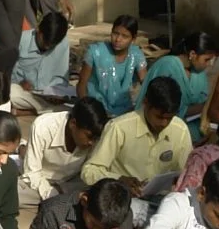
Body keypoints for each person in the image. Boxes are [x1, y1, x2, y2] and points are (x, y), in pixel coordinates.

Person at [77, 77, 193, 221]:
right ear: (146, 102)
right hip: (122, 198)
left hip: (161, 200)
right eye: (159, 117)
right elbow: (89, 171)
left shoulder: (180, 130)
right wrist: (118, 180)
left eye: (169, 118)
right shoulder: (119, 127)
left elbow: (188, 175)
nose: (164, 123)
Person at [19, 98, 104, 208]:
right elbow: (32, 173)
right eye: (88, 136)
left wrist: (61, 190)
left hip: (69, 184)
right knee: (13, 195)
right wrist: (52, 193)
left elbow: (92, 173)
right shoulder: (44, 126)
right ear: (73, 124)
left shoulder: (96, 138)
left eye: (95, 138)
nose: (92, 143)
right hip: (41, 180)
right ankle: (22, 149)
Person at [75, 16, 148, 116]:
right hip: (97, 109)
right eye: (115, 33)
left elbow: (145, 82)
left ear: (133, 39)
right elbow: (82, 85)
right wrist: (86, 110)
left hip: (125, 110)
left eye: (124, 36)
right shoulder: (95, 52)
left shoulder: (136, 54)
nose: (118, 39)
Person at [142, 32, 216, 123]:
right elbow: (159, 104)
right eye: (206, 60)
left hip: (191, 122)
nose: (209, 64)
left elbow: (203, 98)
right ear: (192, 54)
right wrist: (202, 107)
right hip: (161, 121)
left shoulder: (199, 73)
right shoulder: (167, 66)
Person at [9, 10, 73, 111]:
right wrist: (20, 83)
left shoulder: (63, 44)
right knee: (12, 93)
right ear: (38, 29)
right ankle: (45, 110)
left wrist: (57, 94)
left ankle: (38, 110)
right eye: (45, 41)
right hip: (27, 94)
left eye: (52, 45)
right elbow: (9, 73)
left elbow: (62, 77)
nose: (47, 47)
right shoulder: (21, 41)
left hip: (51, 96)